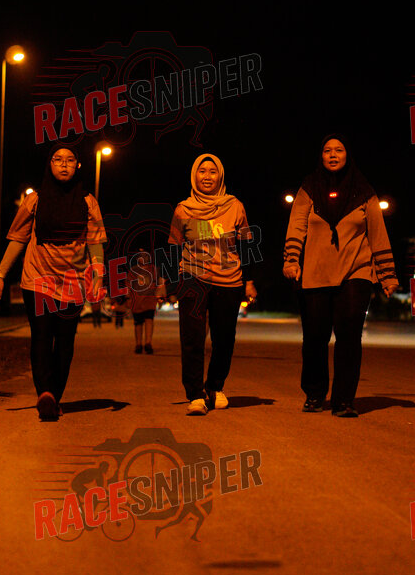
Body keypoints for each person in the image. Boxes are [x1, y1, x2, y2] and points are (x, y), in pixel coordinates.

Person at [283, 134, 399, 417]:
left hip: (355, 271)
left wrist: (387, 275)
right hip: (315, 273)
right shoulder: (309, 188)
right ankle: (314, 394)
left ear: (348, 155)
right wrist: (291, 260)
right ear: (320, 156)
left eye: (339, 150)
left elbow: (378, 234)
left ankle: (344, 400)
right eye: (327, 150)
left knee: (349, 336)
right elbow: (296, 226)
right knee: (315, 336)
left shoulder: (364, 192)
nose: (333, 155)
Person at [0, 144, 106, 421]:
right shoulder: (35, 200)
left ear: (78, 165)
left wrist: (98, 277)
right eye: (57, 159)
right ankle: (44, 393)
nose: (64, 164)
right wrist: (0, 275)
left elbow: (95, 242)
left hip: (73, 283)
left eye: (70, 160)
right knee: (42, 335)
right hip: (37, 278)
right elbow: (18, 239)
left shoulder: (88, 202)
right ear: (49, 164)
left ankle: (54, 396)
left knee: (65, 342)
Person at [169, 154, 257, 415]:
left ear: (220, 176)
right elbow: (173, 248)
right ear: (194, 176)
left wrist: (249, 281)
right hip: (192, 277)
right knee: (192, 338)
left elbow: (246, 245)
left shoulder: (235, 206)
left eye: (212, 171)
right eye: (202, 171)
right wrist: (171, 283)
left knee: (225, 339)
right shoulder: (183, 209)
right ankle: (195, 394)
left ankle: (215, 387)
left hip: (229, 280)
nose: (207, 177)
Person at [127, 249, 165, 354]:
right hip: (137, 301)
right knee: (138, 323)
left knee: (149, 320)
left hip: (150, 299)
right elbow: (128, 285)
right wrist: (128, 298)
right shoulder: (133, 270)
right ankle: (138, 344)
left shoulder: (154, 269)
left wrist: (160, 297)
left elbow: (160, 283)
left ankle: (148, 343)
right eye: (141, 255)